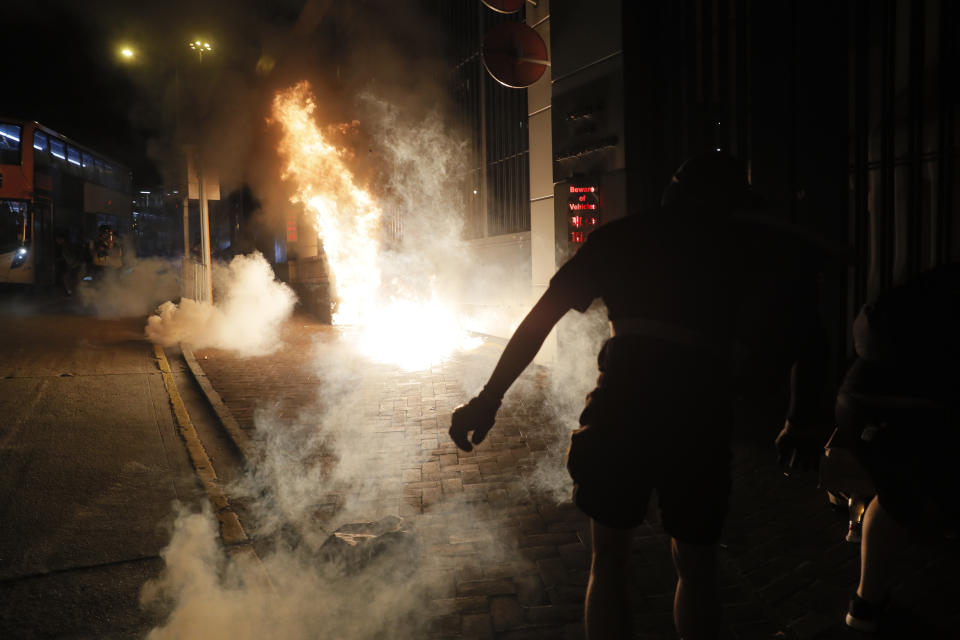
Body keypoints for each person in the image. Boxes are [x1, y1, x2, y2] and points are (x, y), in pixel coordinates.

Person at [449, 151, 831, 640]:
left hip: (622, 410)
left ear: (670, 193)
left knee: (608, 562)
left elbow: (540, 318)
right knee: (697, 566)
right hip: (699, 416)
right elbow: (808, 331)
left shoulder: (621, 239)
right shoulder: (749, 245)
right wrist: (800, 419)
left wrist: (489, 399)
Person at [832, 263, 960, 633]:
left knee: (891, 492)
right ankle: (865, 606)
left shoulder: (918, 290)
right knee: (894, 499)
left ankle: (867, 589)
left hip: (856, 400)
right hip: (894, 409)